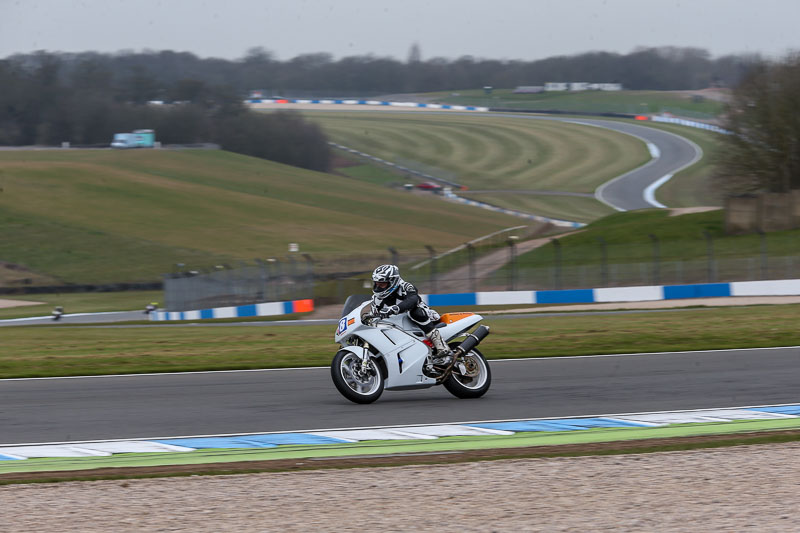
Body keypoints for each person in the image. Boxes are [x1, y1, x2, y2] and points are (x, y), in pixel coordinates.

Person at [370, 264, 452, 364]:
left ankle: (441, 344)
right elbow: (374, 315)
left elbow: (414, 299)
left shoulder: (405, 286)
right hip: (400, 327)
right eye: (377, 284)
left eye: (382, 284)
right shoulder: (376, 299)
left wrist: (395, 308)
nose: (378, 287)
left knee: (415, 312)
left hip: (427, 317)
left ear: (392, 281)